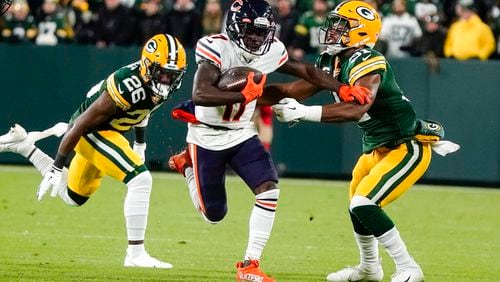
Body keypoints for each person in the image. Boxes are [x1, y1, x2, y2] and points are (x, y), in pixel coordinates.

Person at [167, 0, 371, 281]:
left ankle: (250, 264)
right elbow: (201, 94)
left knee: (268, 188)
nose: (256, 38)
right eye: (251, 32)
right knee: (213, 215)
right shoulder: (216, 47)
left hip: (241, 132)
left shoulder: (272, 49)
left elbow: (307, 71)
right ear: (235, 27)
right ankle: (187, 166)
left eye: (262, 33)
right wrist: (244, 95)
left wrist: (342, 88)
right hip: (206, 136)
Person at [262, 1, 459, 281]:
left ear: (361, 33)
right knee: (357, 207)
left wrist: (303, 112)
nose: (331, 30)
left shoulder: (368, 61)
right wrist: (245, 96)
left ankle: (408, 267)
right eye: (333, 24)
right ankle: (369, 269)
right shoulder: (332, 60)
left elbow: (357, 107)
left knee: (364, 204)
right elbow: (289, 89)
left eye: (341, 26)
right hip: (376, 148)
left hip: (406, 146)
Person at [0, 33, 187, 269]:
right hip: (89, 131)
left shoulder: (156, 85)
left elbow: (142, 111)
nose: (167, 79)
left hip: (107, 133)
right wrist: (57, 166)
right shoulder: (127, 84)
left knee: (73, 197)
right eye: (162, 73)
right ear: (148, 66)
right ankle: (135, 254)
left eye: (173, 75)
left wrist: (141, 145)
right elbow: (79, 125)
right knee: (141, 179)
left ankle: (24, 147)